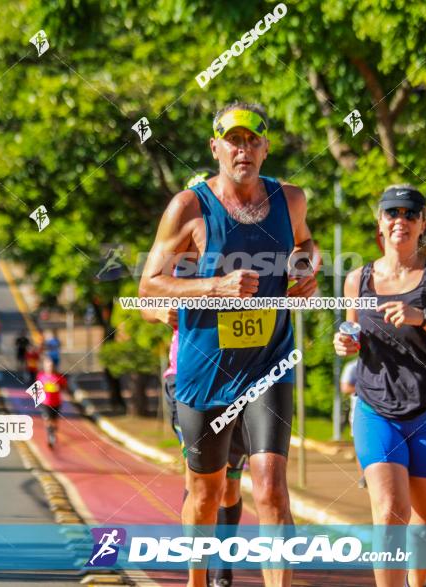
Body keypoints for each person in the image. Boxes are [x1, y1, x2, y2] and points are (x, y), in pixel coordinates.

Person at [139, 102, 317, 587]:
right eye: (232, 140)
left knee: (272, 490)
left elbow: (305, 244)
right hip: (204, 370)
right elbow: (149, 286)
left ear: (266, 146)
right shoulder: (189, 207)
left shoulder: (291, 199)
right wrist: (212, 288)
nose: (243, 149)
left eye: (252, 139)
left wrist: (306, 269)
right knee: (206, 493)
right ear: (215, 147)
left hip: (270, 363)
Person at [333, 184, 426, 587]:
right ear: (380, 222)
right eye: (393, 213)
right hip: (376, 408)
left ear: (422, 222)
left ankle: (419, 582)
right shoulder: (358, 278)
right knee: (390, 508)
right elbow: (354, 331)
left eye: (410, 214)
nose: (401, 220)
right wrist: (346, 340)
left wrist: (422, 318)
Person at [141, 168, 246, 587]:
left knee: (231, 483)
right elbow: (145, 298)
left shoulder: (238, 253)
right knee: (200, 477)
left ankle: (224, 563)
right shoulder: (172, 257)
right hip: (184, 376)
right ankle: (200, 574)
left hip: (239, 374)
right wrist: (160, 311)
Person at [340, 358, 365, 488]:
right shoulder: (352, 366)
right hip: (358, 410)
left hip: (381, 410)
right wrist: (369, 388)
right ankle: (363, 476)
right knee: (360, 445)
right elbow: (345, 387)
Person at [36, 356, 67, 448]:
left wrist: (59, 387)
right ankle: (50, 436)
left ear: (53, 366)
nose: (49, 367)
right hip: (45, 403)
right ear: (44, 366)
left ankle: (53, 431)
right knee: (47, 420)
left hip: (56, 402)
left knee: (54, 421)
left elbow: (64, 386)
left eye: (51, 365)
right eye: (47, 365)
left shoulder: (58, 377)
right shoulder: (40, 376)